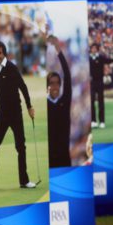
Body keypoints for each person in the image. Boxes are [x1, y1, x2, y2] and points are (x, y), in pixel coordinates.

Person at [0, 41, 36, 191]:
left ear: (4, 53)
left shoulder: (11, 68)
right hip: (2, 113)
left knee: (20, 146)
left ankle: (24, 181)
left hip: (16, 113)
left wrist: (29, 106)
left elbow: (23, 87)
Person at [46, 35, 72, 168]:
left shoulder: (65, 101)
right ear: (47, 86)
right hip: (49, 160)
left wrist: (57, 48)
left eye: (57, 83)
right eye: (51, 83)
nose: (55, 86)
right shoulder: (45, 105)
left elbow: (67, 75)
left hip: (64, 159)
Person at [89, 43, 113, 129]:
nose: (94, 49)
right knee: (91, 102)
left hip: (99, 82)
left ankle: (102, 121)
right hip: (91, 82)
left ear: (97, 49)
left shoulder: (101, 57)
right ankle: (93, 121)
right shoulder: (88, 59)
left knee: (100, 102)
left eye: (95, 48)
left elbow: (109, 60)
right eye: (92, 48)